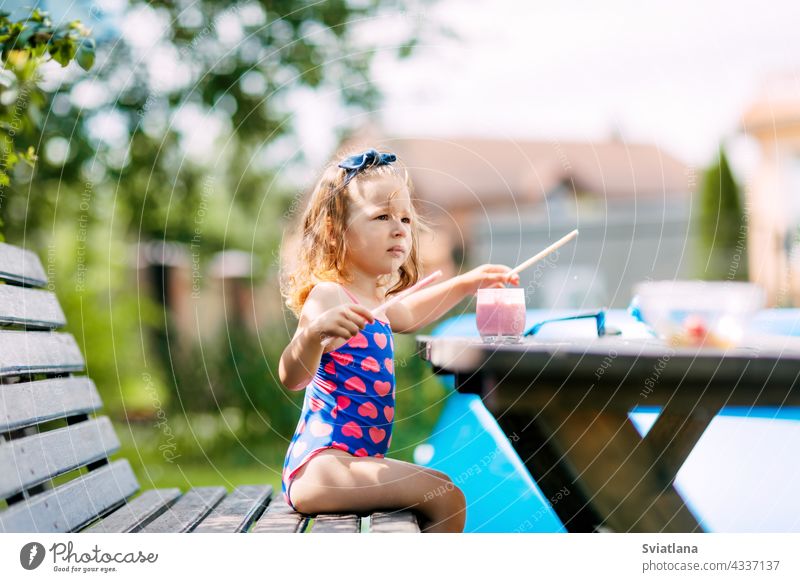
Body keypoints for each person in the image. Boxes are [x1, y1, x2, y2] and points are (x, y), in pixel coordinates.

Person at [278, 147, 521, 533]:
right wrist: (313, 335)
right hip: (321, 465)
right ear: (333, 231)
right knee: (445, 499)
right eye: (382, 216)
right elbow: (291, 376)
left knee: (444, 488)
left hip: (351, 465)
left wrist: (466, 283)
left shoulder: (376, 304)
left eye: (406, 218)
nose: (400, 229)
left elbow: (412, 313)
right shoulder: (329, 296)